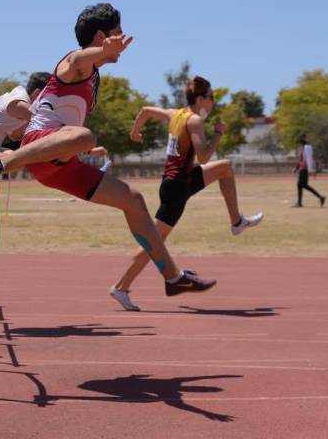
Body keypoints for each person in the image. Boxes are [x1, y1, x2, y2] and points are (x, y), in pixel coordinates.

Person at [0, 3, 216, 298]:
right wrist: (103, 51)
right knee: (84, 135)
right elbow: (81, 57)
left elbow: (69, 120)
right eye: (116, 33)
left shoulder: (94, 77)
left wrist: (85, 149)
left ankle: (172, 277)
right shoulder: (74, 63)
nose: (122, 40)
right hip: (35, 146)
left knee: (133, 199)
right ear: (100, 36)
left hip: (59, 163)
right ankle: (4, 163)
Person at [108, 76, 264, 311]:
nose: (213, 102)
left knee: (226, 168)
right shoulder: (193, 122)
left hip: (184, 179)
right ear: (200, 99)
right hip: (176, 188)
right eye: (211, 97)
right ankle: (121, 287)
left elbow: (145, 110)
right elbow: (203, 157)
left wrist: (135, 132)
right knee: (154, 242)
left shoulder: (175, 114)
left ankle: (236, 221)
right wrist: (219, 133)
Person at [293, 133, 326, 208]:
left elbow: (308, 159)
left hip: (304, 169)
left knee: (301, 185)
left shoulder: (306, 148)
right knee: (302, 185)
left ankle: (320, 197)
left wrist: (311, 170)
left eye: (301, 139)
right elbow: (301, 160)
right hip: (302, 168)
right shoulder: (302, 148)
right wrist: (296, 167)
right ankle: (320, 197)